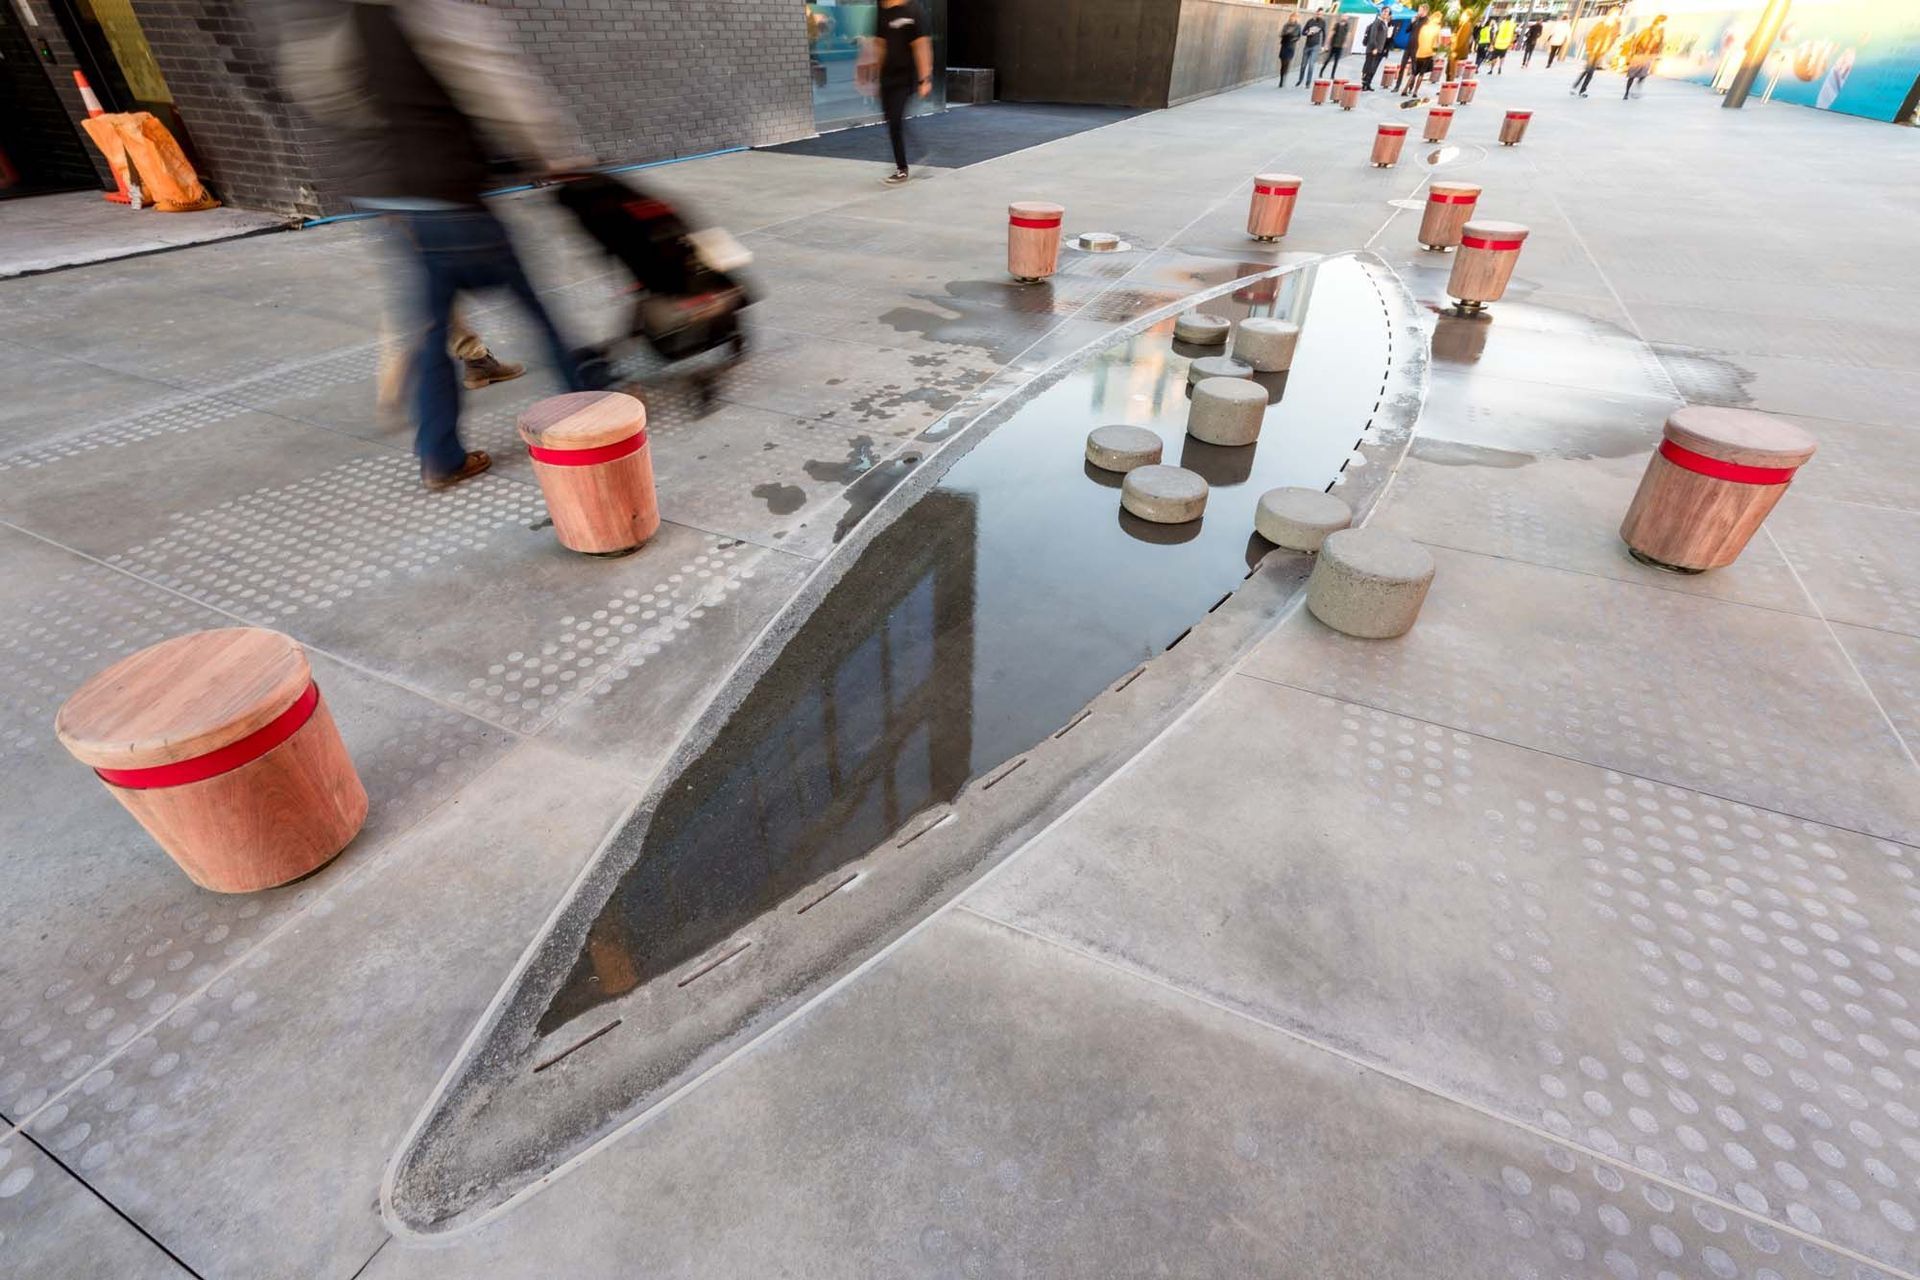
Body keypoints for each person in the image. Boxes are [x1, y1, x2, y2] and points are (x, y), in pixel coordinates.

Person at [279, 0, 600, 490]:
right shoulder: (426, 12)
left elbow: (325, 102)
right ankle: (590, 408)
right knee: (535, 309)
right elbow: (494, 84)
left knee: (429, 336)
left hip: (393, 208)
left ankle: (440, 456)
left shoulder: (327, 25)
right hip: (452, 199)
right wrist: (552, 155)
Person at [863, 0, 932, 185]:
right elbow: (879, 43)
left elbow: (921, 45)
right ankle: (918, 153)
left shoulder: (913, 9)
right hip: (887, 77)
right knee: (892, 121)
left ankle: (902, 168)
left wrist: (925, 79)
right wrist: (876, 75)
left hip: (905, 77)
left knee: (895, 120)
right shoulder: (882, 9)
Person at [1572, 12, 1621, 96]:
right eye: (1614, 15)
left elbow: (1614, 38)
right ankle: (1575, 86)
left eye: (1616, 16)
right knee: (1587, 70)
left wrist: (1619, 24)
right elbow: (1590, 36)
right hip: (1592, 50)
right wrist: (1588, 49)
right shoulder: (1601, 25)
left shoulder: (1613, 28)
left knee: (1591, 72)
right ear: (1609, 16)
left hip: (1601, 52)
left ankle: (1583, 90)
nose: (1615, 18)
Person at [1622, 13, 1667, 98]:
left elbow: (1660, 44)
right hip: (1639, 54)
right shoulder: (1646, 30)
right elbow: (1636, 41)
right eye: (1663, 22)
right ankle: (1626, 93)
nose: (1664, 25)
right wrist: (1632, 53)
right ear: (1659, 22)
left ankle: (1636, 88)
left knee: (1643, 75)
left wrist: (1658, 54)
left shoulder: (1660, 33)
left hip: (1649, 56)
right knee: (1632, 75)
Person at [1405, 8, 1440, 98]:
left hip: (1419, 52)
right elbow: (1436, 43)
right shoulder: (1436, 29)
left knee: (1414, 72)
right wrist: (1435, 54)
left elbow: (1419, 39)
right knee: (1421, 73)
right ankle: (1415, 92)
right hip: (1428, 53)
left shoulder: (1424, 27)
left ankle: (1405, 89)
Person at [1396, 5, 1429, 91]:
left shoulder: (1427, 22)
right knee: (1402, 66)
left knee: (1414, 69)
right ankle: (1397, 86)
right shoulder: (1416, 19)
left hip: (1418, 48)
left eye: (1421, 10)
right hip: (1409, 46)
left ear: (1425, 11)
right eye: (1419, 10)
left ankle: (1410, 87)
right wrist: (1412, 22)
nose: (1419, 12)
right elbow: (1407, 30)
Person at [1359, 6, 1393, 90]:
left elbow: (1385, 38)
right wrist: (1374, 47)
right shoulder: (1377, 22)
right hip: (1373, 49)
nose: (1385, 13)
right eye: (1384, 11)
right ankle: (1364, 84)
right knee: (1369, 66)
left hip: (1380, 50)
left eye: (1387, 12)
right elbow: (1373, 36)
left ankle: (1368, 84)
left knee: (1374, 68)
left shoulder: (1384, 23)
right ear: (1381, 12)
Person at [1298, 8, 1327, 85]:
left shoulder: (1323, 22)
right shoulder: (1310, 21)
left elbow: (1324, 34)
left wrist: (1323, 45)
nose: (1319, 15)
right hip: (1307, 45)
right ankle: (1300, 79)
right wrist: (1308, 33)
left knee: (1311, 64)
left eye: (1321, 14)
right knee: (1303, 65)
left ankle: (1308, 82)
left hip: (1316, 46)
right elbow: (1303, 32)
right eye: (1318, 14)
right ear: (1316, 13)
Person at [1322, 12, 1353, 79]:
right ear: (1341, 17)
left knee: (1336, 62)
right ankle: (1321, 71)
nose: (1344, 17)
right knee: (1328, 59)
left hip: (1340, 46)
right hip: (1334, 45)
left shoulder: (1347, 26)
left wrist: (1346, 42)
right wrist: (1326, 44)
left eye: (1346, 16)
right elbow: (1331, 34)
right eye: (1343, 16)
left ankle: (1332, 75)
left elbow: (1348, 35)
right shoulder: (1337, 25)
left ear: (1347, 18)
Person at [1279, 13, 1302, 87]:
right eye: (1291, 17)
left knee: (1287, 62)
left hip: (1291, 46)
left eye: (1294, 18)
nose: (1292, 19)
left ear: (1296, 18)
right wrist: (1285, 33)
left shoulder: (1298, 26)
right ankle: (1282, 78)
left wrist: (1292, 38)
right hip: (1284, 44)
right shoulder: (1286, 25)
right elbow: (1281, 33)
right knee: (1282, 63)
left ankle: (1284, 75)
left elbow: (1298, 36)